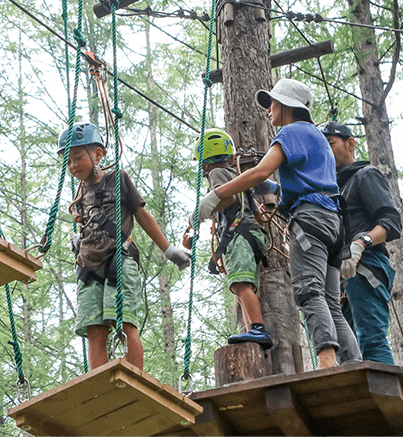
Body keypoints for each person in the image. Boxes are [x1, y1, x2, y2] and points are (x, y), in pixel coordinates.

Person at [197, 79, 360, 369]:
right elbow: (294, 181)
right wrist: (267, 187)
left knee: (309, 291)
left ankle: (326, 362)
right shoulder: (317, 138)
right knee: (329, 300)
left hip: (309, 223)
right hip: (333, 224)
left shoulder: (291, 132)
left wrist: (217, 193)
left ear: (288, 106)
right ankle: (352, 362)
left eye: (273, 103)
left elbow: (260, 171)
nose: (269, 109)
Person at [59, 122, 190, 370]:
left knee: (124, 324)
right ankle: (101, 387)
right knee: (94, 330)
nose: (73, 165)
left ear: (98, 154)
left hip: (118, 261)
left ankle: (135, 379)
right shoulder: (78, 196)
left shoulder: (117, 180)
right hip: (88, 267)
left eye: (77, 157)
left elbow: (141, 215)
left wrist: (168, 249)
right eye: (68, 161)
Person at [184, 128, 273, 350]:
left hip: (238, 234)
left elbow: (227, 197)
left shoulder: (216, 173)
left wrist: (206, 211)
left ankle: (258, 329)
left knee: (241, 284)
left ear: (203, 163)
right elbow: (253, 211)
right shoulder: (238, 176)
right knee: (240, 285)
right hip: (251, 233)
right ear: (231, 157)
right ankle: (253, 329)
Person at [323, 121, 401, 364]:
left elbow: (391, 222)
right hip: (343, 277)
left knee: (371, 341)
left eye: (331, 143)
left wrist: (361, 243)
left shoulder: (365, 175)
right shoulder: (333, 192)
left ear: (350, 143)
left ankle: (387, 397)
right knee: (348, 350)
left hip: (366, 265)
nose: (326, 150)